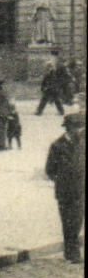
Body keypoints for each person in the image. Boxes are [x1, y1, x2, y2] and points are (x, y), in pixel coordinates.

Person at [44, 112, 85, 264]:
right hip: (66, 191)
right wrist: (62, 180)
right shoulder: (57, 145)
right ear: (69, 128)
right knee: (69, 223)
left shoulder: (82, 142)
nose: (81, 131)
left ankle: (72, 252)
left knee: (78, 221)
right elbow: (50, 170)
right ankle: (71, 253)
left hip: (81, 190)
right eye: (78, 128)